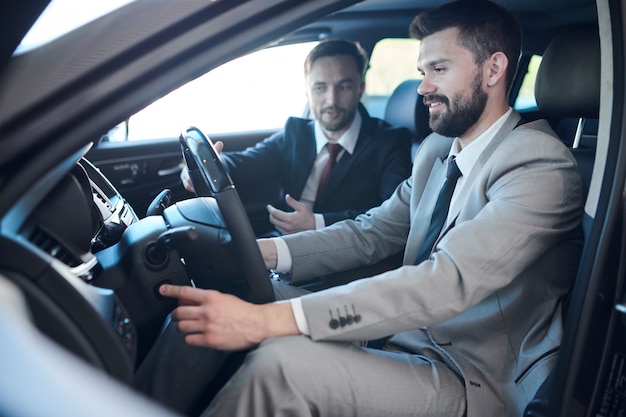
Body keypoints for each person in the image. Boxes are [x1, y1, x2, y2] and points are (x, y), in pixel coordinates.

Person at [160, 1, 584, 416]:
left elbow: (448, 281)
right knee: (215, 297)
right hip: (399, 332)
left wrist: (270, 321)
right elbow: (373, 231)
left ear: (493, 69)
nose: (422, 88)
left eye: (439, 69)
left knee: (282, 367)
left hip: (468, 375)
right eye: (423, 72)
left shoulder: (541, 165)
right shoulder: (439, 152)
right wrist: (261, 251)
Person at [181, 39, 412, 237]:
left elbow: (391, 216)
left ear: (360, 90)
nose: (331, 100)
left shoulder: (390, 143)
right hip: (283, 243)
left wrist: (318, 223)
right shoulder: (296, 133)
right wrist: (208, 167)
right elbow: (244, 163)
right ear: (307, 92)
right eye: (320, 88)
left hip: (346, 256)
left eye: (343, 87)